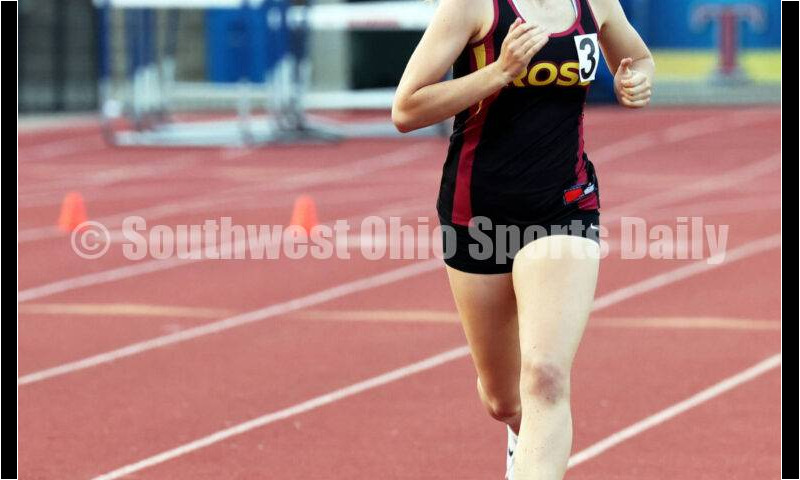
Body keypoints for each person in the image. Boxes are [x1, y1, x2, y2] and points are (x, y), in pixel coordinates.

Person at [392, 0, 654, 478]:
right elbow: (406, 108)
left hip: (565, 207)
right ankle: (521, 436)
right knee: (504, 399)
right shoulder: (473, 6)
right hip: (478, 215)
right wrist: (498, 72)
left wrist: (634, 80)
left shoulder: (597, 4)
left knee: (545, 377)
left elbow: (637, 58)